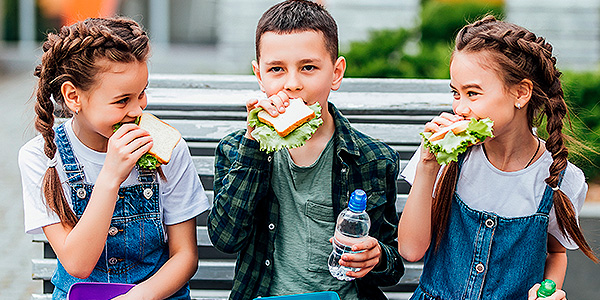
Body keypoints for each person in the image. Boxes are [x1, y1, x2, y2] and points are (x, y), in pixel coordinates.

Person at [207, 1, 404, 299]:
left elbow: (393, 265)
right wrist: (253, 140)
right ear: (259, 74)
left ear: (336, 73)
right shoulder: (237, 148)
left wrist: (377, 256)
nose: (292, 84)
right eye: (276, 69)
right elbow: (225, 238)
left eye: (308, 67)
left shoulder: (373, 159)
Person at [397, 15, 599, 300]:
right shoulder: (445, 154)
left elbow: (556, 252)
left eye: (473, 93)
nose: (460, 108)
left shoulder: (561, 179)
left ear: (521, 92)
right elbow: (411, 250)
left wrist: (547, 291)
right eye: (456, 93)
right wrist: (428, 166)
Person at [18, 17, 209, 299]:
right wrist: (111, 176)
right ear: (73, 96)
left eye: (142, 93)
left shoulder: (167, 149)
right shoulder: (42, 158)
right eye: (122, 100)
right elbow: (78, 264)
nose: (137, 110)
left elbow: (185, 256)